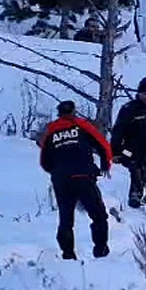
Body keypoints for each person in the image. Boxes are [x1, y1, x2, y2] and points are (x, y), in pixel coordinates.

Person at [39, 100, 111, 260]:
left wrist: (58, 172)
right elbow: (103, 144)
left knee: (65, 219)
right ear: (74, 112)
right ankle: (101, 250)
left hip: (61, 180)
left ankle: (68, 254)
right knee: (98, 215)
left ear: (58, 114)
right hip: (83, 176)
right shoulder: (81, 125)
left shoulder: (51, 131)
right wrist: (105, 164)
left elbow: (44, 161)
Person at [110, 77, 146, 209]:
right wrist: (116, 151)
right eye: (144, 94)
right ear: (139, 93)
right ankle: (135, 194)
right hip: (131, 149)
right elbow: (118, 131)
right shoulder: (129, 109)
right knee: (136, 166)